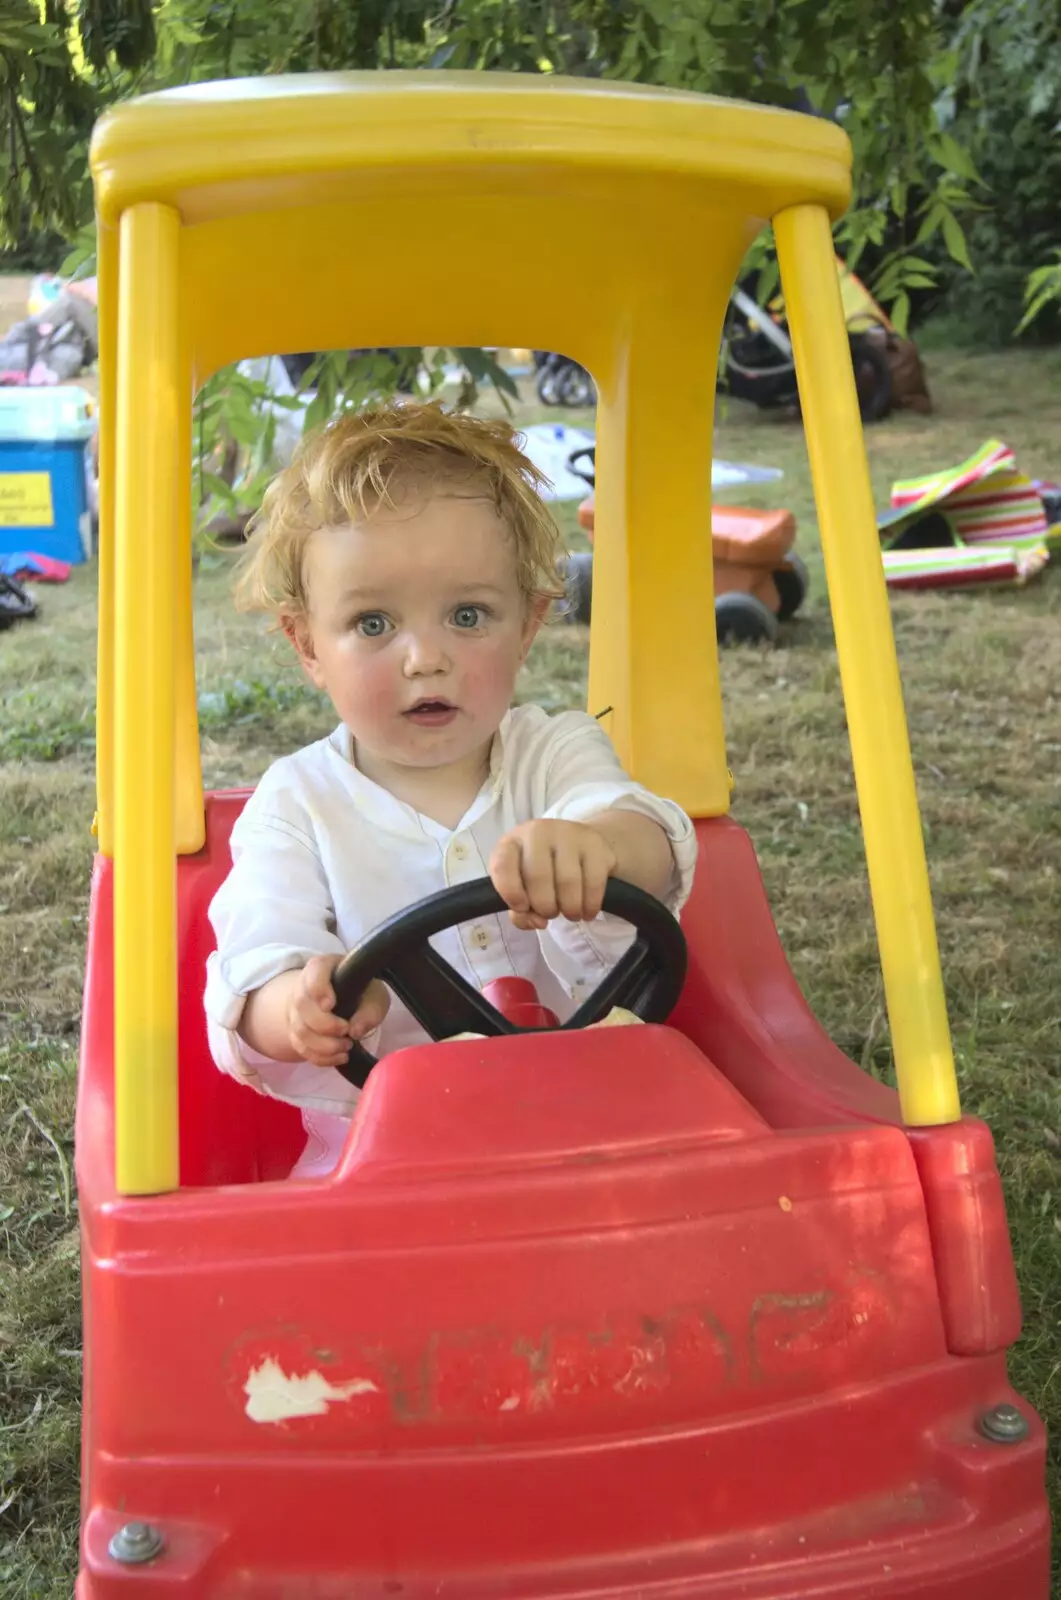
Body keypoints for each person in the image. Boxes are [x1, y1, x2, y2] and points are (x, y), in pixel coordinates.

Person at [204, 402, 697, 1177]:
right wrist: (294, 1008)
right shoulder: (295, 803)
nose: (424, 658)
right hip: (382, 1163)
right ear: (307, 644)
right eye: (372, 624)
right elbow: (255, 958)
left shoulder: (554, 751)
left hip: (589, 1132)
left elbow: (646, 842)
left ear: (527, 625)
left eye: (467, 615)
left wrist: (597, 848)